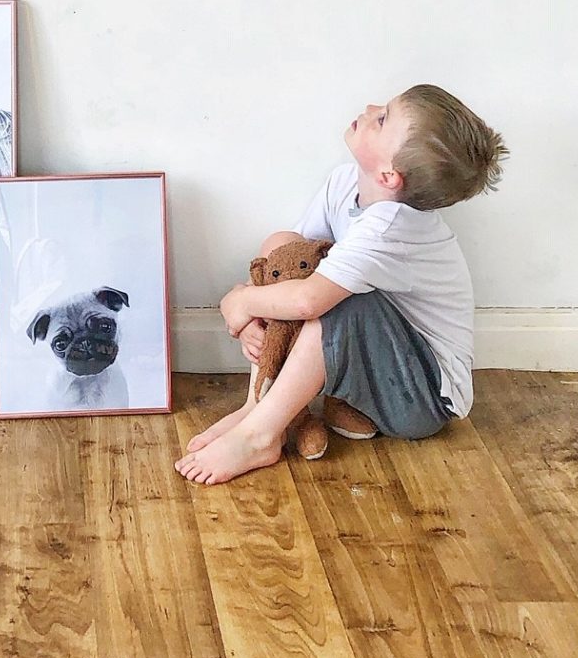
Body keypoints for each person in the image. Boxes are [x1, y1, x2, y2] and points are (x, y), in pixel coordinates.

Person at [174, 85, 507, 486]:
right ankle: (258, 405)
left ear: (389, 176)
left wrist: (241, 300)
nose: (369, 108)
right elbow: (288, 265)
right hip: (377, 370)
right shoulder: (344, 182)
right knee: (284, 245)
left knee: (340, 302)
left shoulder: (390, 227)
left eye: (382, 118)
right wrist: (251, 313)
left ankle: (259, 436)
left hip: (422, 396)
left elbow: (306, 301)